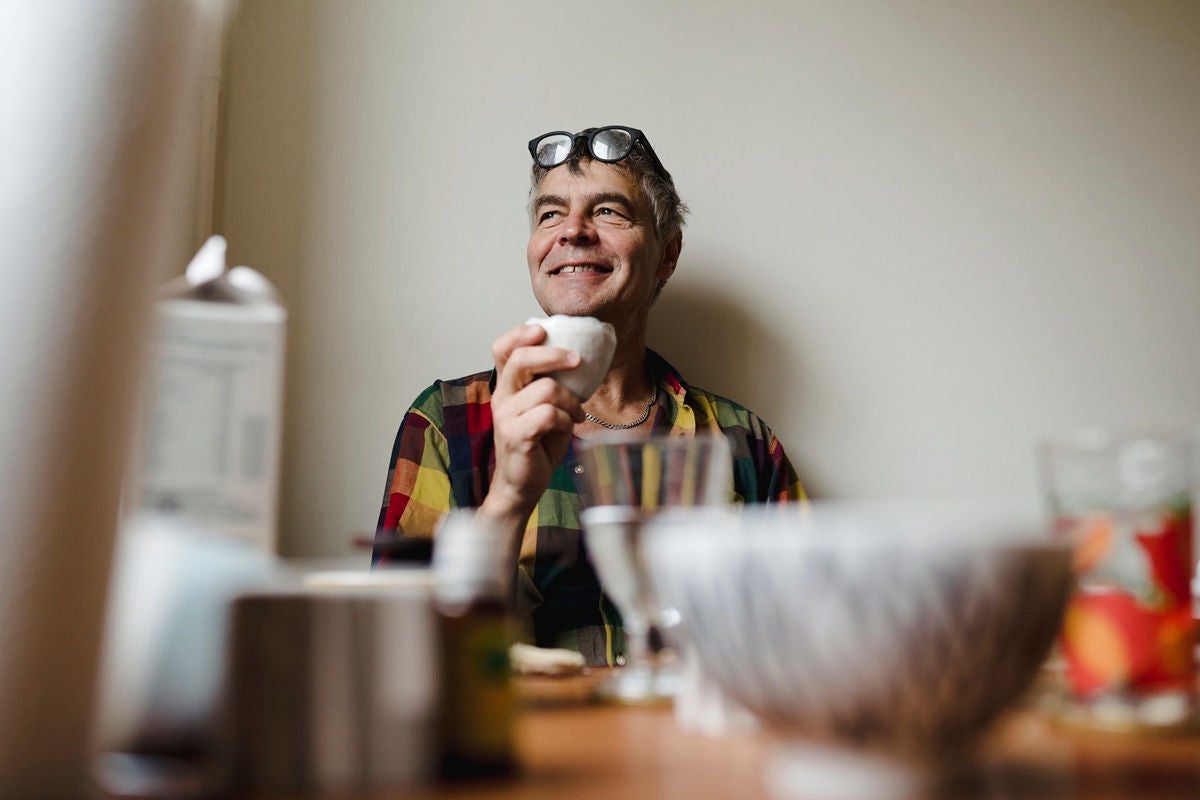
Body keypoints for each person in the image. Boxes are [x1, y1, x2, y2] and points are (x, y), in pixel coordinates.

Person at [375, 126, 804, 665]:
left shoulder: (746, 443)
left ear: (666, 254)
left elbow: (807, 643)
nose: (572, 231)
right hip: (520, 745)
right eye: (550, 214)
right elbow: (394, 653)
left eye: (608, 212)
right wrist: (507, 498)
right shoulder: (444, 422)